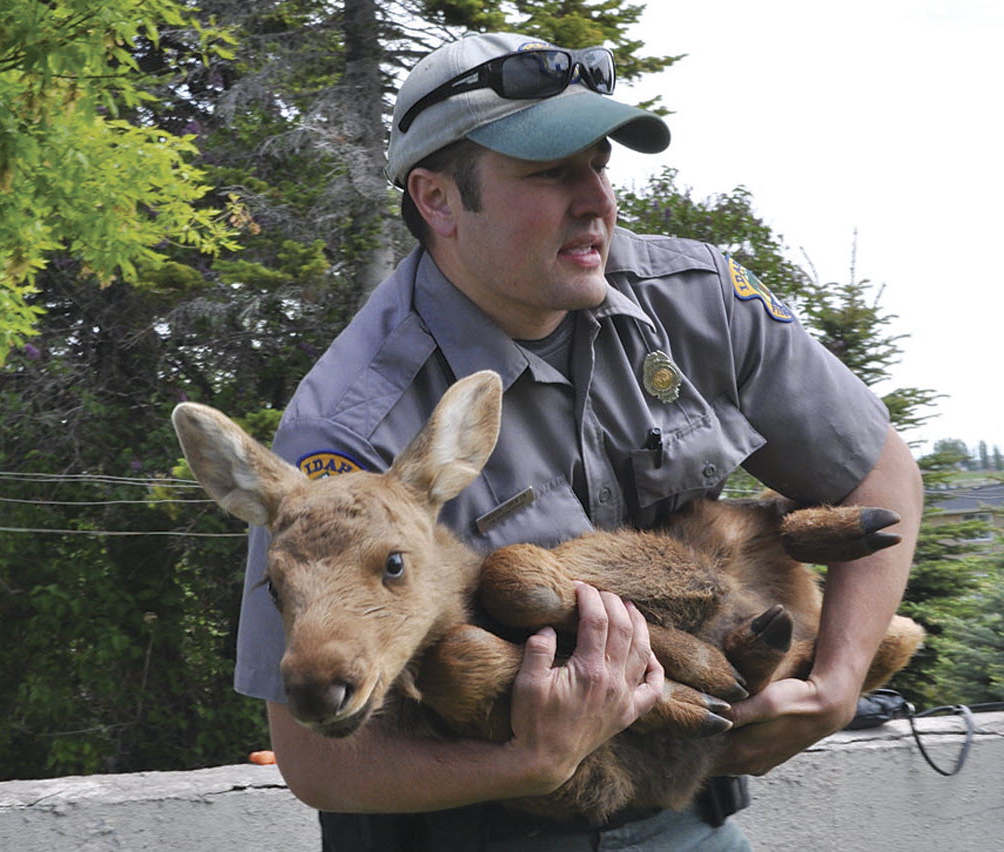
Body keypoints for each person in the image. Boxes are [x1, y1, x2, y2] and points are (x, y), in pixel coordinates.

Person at [234, 31, 923, 851]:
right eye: (549, 172)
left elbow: (877, 472)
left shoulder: (696, 301)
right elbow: (317, 762)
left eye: (599, 164)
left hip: (684, 820)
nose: (595, 197)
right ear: (438, 200)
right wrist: (529, 762)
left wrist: (840, 679)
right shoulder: (349, 431)